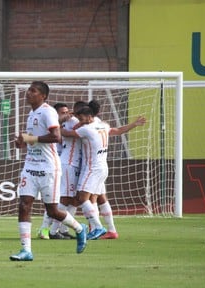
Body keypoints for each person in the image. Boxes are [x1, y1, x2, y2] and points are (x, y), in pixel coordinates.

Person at [10, 81, 88, 261]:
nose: (28, 93)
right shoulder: (31, 113)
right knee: (24, 205)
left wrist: (30, 138)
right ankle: (26, 251)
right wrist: (22, 142)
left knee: (52, 211)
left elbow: (56, 136)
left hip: (48, 167)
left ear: (43, 96)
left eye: (33, 91)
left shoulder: (48, 111)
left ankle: (78, 228)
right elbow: (33, 140)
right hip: (30, 165)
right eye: (28, 90)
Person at [63, 100, 146, 240]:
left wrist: (53, 125)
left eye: (82, 119)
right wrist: (133, 124)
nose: (81, 121)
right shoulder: (103, 125)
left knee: (82, 199)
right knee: (101, 198)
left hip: (92, 169)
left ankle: (97, 227)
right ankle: (111, 230)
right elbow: (118, 131)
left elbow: (66, 133)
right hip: (102, 168)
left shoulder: (86, 129)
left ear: (89, 117)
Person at [37, 102, 81, 240]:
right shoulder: (53, 124)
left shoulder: (70, 121)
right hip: (58, 165)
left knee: (73, 200)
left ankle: (63, 229)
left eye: (68, 112)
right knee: (59, 199)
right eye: (63, 112)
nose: (67, 114)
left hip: (70, 164)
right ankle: (46, 229)